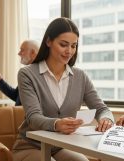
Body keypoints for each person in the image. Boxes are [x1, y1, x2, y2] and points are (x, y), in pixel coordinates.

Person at [12, 17, 114, 161]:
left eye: (73, 46)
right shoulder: (27, 74)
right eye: (63, 44)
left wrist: (106, 119)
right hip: (31, 145)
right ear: (48, 41)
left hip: (61, 145)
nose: (69, 51)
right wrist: (56, 124)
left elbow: (102, 108)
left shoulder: (80, 76)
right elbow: (33, 118)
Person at [0, 40, 39, 161]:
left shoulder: (36, 74)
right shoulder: (27, 72)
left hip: (24, 121)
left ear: (33, 53)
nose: (18, 53)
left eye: (22, 50)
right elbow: (15, 94)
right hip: (17, 118)